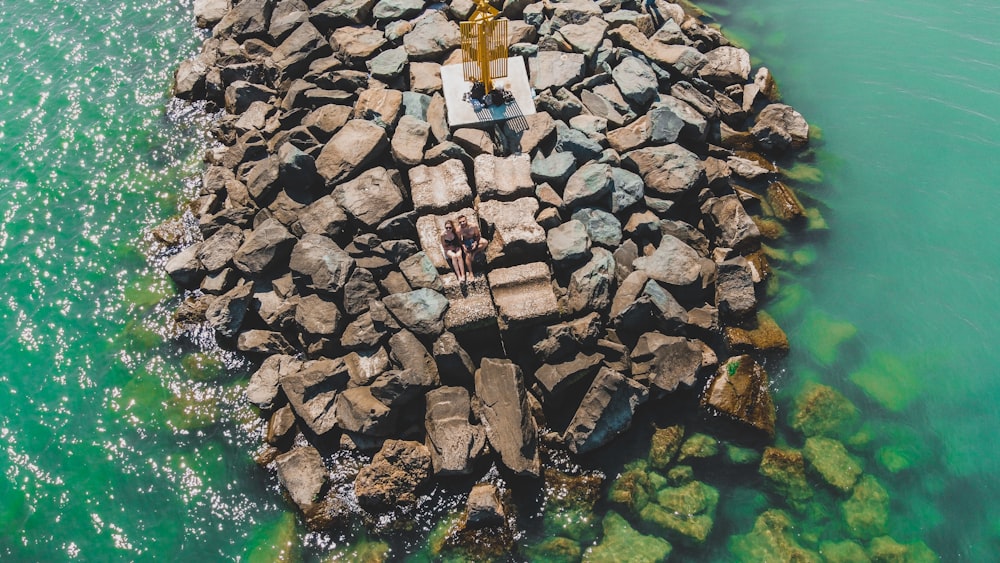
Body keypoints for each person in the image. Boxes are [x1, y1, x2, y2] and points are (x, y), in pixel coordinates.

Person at [457, 214, 488, 282]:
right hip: (466, 242)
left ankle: (474, 252)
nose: (462, 223)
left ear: (466, 220)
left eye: (463, 221)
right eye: (460, 222)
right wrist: (463, 246)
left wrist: (476, 243)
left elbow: (477, 235)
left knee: (485, 242)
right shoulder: (459, 230)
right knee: (468, 255)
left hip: (474, 240)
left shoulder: (473, 226)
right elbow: (459, 240)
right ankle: (471, 273)